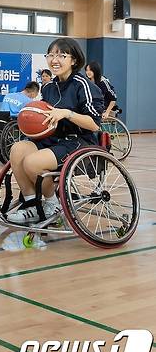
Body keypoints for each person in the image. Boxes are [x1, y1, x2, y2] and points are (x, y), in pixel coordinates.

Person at [6, 37, 104, 224]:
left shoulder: (83, 85)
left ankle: (52, 204)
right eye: (51, 54)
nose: (54, 59)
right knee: (17, 150)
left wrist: (67, 113)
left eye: (61, 55)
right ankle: (32, 205)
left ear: (74, 60)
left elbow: (94, 124)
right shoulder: (49, 86)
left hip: (79, 142)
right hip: (54, 140)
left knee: (32, 163)